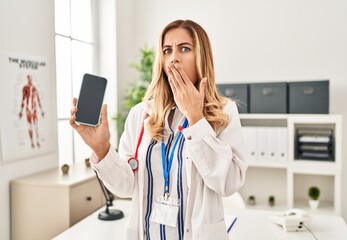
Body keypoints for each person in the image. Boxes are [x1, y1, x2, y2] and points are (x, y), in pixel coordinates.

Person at [70, 19, 248, 240]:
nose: (174, 57)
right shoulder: (141, 114)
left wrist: (196, 118)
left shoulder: (223, 112)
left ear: (201, 57)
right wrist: (102, 149)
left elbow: (229, 182)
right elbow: (126, 187)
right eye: (167, 50)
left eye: (185, 48)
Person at [19, 74, 45, 148]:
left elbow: (38, 99)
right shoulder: (25, 88)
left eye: (31, 78)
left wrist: (41, 110)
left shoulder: (34, 88)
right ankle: (32, 142)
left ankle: (37, 141)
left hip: (34, 109)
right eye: (29, 78)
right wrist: (21, 111)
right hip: (28, 109)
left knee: (36, 126)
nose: (30, 80)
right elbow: (23, 99)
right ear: (27, 79)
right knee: (30, 126)